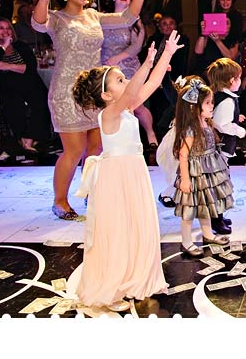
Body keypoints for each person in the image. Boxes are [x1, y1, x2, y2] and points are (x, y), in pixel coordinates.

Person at [69, 31, 181, 310]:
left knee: (137, 225)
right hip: (116, 178)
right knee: (119, 228)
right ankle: (117, 278)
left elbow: (151, 85)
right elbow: (134, 90)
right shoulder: (109, 113)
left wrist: (166, 53)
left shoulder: (126, 108)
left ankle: (135, 275)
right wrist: (146, 62)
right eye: (119, 80)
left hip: (134, 173)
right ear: (106, 95)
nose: (126, 82)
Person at [32, 0, 149, 220]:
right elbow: (37, 23)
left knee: (95, 148)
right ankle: (60, 201)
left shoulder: (93, 16)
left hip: (94, 91)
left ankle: (90, 194)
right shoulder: (56, 18)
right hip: (66, 91)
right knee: (73, 151)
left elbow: (128, 17)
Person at [172, 76, 235, 254]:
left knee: (205, 205)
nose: (211, 106)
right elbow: (183, 154)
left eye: (211, 102)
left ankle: (207, 234)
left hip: (207, 171)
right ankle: (186, 241)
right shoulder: (191, 129)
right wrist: (185, 180)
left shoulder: (204, 123)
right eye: (207, 103)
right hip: (195, 173)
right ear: (194, 106)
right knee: (190, 207)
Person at [102, 0, 158, 150]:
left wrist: (117, 58)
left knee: (136, 105)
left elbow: (136, 46)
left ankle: (150, 133)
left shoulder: (135, 20)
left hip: (128, 66)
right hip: (106, 67)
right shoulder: (102, 18)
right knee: (109, 105)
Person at [0, 17, 52, 152]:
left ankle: (31, 137)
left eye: (8, 28)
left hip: (28, 82)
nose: (5, 31)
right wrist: (4, 47)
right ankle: (21, 137)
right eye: (1, 28)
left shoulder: (20, 45)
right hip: (4, 85)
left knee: (41, 99)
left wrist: (7, 66)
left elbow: (30, 67)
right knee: (14, 103)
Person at [207, 58, 246, 168]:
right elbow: (221, 124)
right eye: (239, 78)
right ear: (232, 80)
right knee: (219, 171)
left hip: (215, 145)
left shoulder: (216, 94)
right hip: (221, 145)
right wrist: (239, 131)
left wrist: (235, 117)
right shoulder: (227, 101)